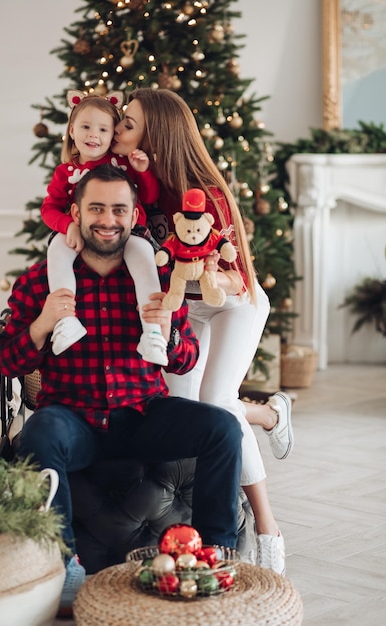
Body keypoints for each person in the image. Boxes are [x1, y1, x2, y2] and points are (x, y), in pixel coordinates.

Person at [0, 164, 243, 616]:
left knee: (223, 428)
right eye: (95, 208)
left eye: (118, 209)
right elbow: (7, 361)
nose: (107, 219)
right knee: (40, 431)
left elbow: (185, 359)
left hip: (143, 416)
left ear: (133, 218)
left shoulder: (156, 279)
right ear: (75, 213)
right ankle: (62, 565)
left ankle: (214, 556)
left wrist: (168, 332)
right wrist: (43, 324)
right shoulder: (39, 280)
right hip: (74, 421)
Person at [113, 88, 294, 575]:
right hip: (184, 311)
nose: (119, 131)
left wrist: (211, 278)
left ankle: (266, 527)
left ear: (158, 133)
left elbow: (242, 277)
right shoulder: (131, 184)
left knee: (216, 402)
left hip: (233, 303)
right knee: (193, 412)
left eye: (128, 123)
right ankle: (269, 414)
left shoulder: (206, 194)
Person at [41, 90, 167, 366]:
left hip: (128, 233)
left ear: (113, 135)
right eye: (85, 127)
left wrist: (143, 171)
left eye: (103, 129)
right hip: (82, 232)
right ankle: (66, 321)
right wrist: (67, 225)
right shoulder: (67, 171)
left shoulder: (122, 164)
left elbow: (148, 197)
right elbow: (49, 208)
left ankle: (153, 332)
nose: (93, 135)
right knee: (57, 248)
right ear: (72, 130)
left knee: (144, 258)